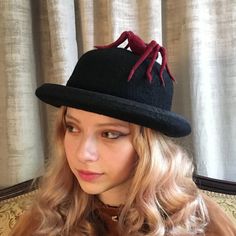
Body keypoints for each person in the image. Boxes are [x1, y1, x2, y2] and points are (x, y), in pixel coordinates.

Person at [11, 31, 236, 236]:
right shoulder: (47, 216)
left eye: (109, 134)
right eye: (73, 128)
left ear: (149, 145)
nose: (83, 154)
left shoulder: (199, 219)